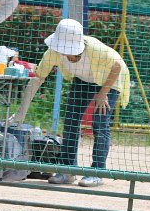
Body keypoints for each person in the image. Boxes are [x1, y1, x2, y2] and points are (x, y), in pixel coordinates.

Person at [10, 19, 130, 187]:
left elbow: (117, 66)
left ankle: (97, 172)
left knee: (99, 123)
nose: (64, 52)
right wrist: (21, 112)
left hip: (109, 79)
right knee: (71, 121)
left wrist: (103, 93)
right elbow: (38, 78)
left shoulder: (95, 49)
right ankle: (67, 170)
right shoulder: (53, 52)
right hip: (83, 79)